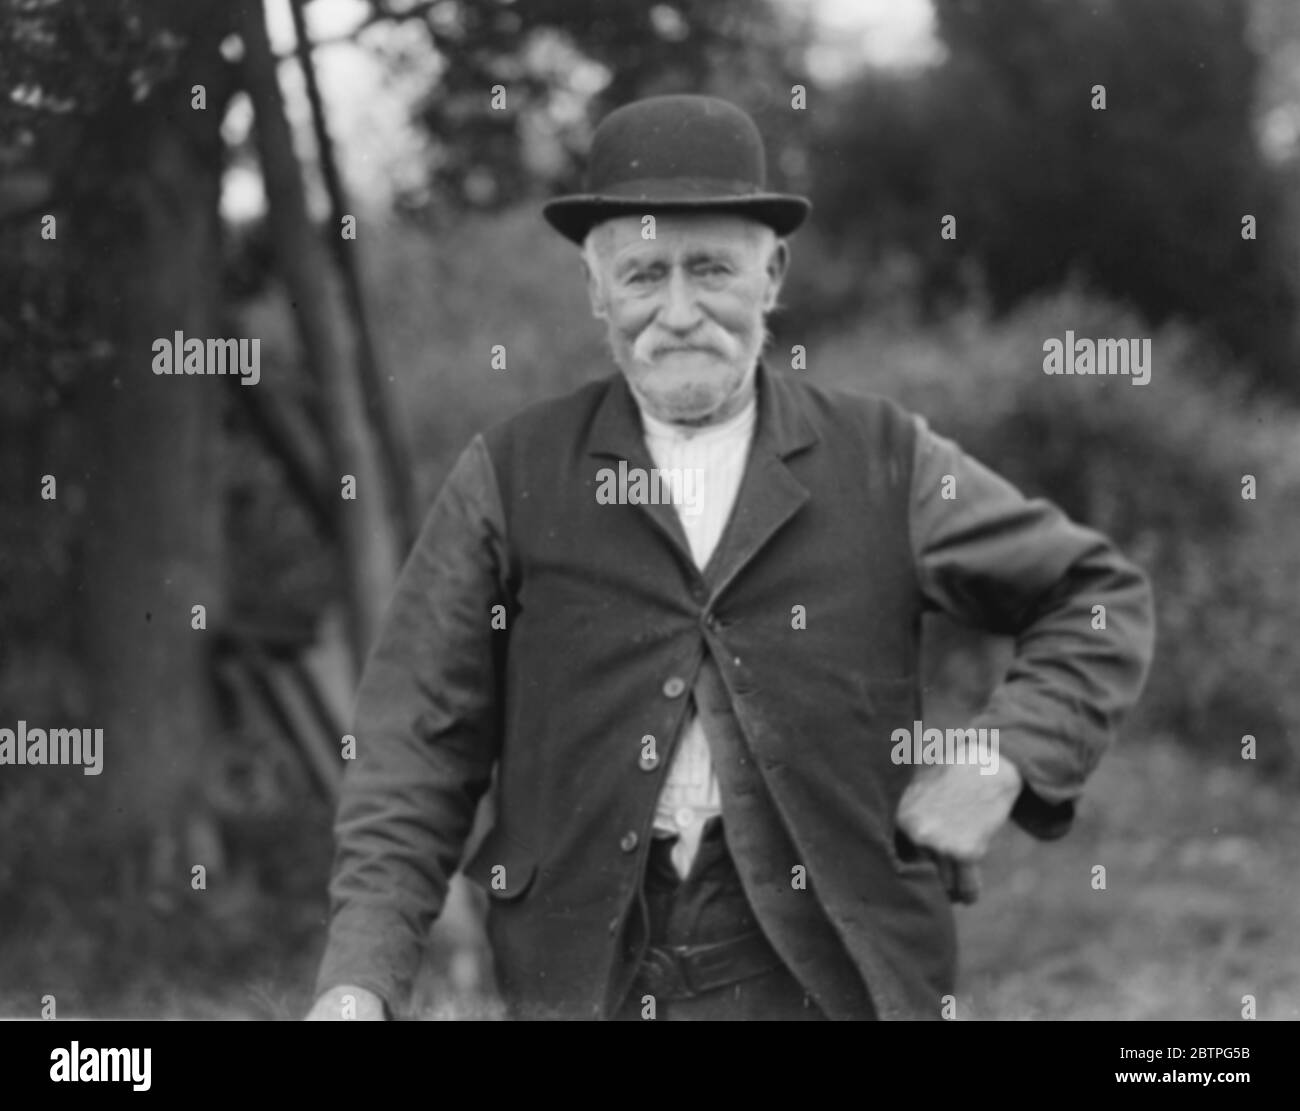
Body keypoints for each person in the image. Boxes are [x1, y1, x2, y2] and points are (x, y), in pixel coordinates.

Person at [306, 94, 1155, 1021]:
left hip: (832, 976)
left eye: (711, 268)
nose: (677, 313)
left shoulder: (886, 459)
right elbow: (413, 746)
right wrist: (360, 980)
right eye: (642, 274)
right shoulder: (507, 477)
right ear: (597, 291)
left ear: (772, 273)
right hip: (581, 977)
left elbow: (1095, 597)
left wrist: (1004, 754)